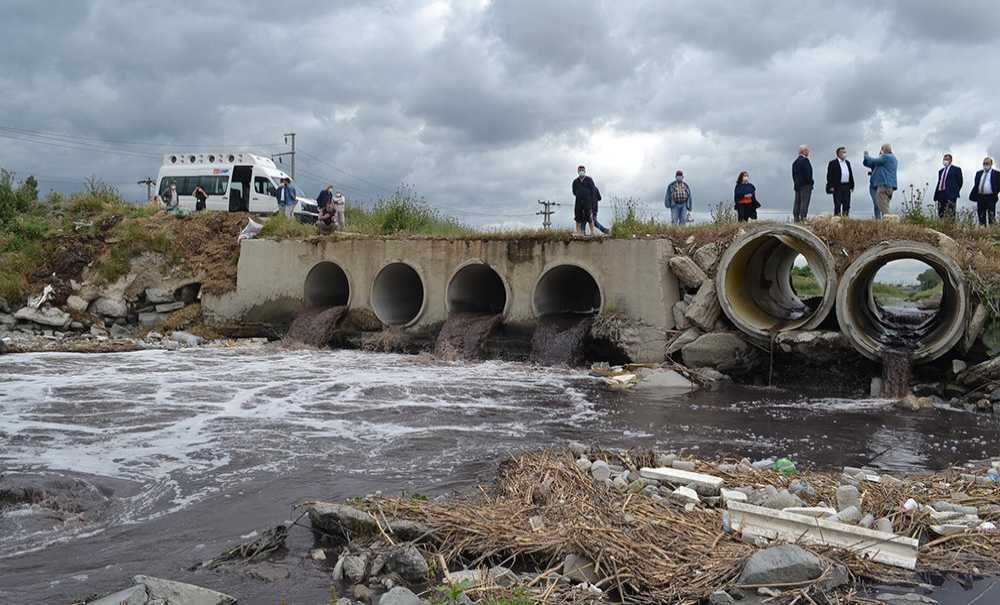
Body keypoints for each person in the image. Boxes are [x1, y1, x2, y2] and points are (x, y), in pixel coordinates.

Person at [863, 144, 898, 219]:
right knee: (884, 205)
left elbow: (872, 160)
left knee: (882, 206)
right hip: (889, 186)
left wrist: (866, 155)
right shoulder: (893, 159)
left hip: (884, 185)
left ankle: (889, 223)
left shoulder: (886, 157)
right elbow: (868, 163)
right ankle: (883, 223)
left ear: (883, 150)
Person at [825, 146, 855, 217]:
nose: (845, 154)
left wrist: (852, 185)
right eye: (843, 152)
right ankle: (837, 220)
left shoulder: (847, 162)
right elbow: (829, 175)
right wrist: (831, 186)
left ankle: (845, 219)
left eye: (845, 152)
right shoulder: (832, 163)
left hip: (847, 186)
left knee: (847, 204)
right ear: (838, 153)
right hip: (837, 186)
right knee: (837, 204)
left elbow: (850, 174)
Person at [970, 156, 999, 226]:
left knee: (991, 216)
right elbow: (976, 184)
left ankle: (992, 232)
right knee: (981, 215)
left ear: (991, 164)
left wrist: (995, 192)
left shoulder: (996, 174)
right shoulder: (979, 173)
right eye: (984, 163)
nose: (985, 165)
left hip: (991, 197)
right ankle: (982, 230)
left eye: (987, 163)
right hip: (980, 197)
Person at [933, 154, 963, 220]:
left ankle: (951, 227)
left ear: (951, 160)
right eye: (944, 159)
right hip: (941, 193)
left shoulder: (956, 169)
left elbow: (960, 182)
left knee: (950, 212)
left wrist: (954, 191)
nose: (945, 161)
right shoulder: (941, 171)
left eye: (947, 159)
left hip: (950, 194)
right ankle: (942, 225)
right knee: (941, 212)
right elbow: (939, 182)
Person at [572, 165, 600, 236]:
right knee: (578, 217)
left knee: (589, 216)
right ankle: (578, 232)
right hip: (578, 201)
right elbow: (574, 192)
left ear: (584, 171)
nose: (581, 171)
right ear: (578, 171)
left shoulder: (589, 180)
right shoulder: (575, 181)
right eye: (580, 170)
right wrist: (579, 195)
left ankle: (592, 232)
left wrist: (591, 200)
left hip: (588, 202)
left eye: (582, 170)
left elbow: (593, 190)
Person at [792, 145, 813, 222]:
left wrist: (796, 183)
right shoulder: (805, 160)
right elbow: (808, 173)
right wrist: (810, 182)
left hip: (797, 185)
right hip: (805, 185)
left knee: (797, 202)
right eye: (807, 150)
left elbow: (793, 175)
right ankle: (803, 218)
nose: (808, 152)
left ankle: (796, 218)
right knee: (804, 202)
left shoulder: (795, 162)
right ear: (803, 151)